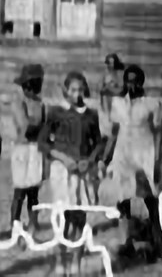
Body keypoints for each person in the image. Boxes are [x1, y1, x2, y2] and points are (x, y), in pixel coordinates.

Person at [98, 64, 162, 263]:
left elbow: (159, 132)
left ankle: (159, 241)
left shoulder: (152, 103)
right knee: (123, 199)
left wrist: (157, 158)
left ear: (141, 81)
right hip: (122, 155)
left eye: (136, 80)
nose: (132, 83)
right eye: (129, 80)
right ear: (125, 81)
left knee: (150, 200)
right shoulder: (117, 103)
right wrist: (105, 158)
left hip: (143, 155)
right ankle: (126, 240)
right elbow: (113, 134)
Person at [38, 72, 104, 276]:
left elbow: (99, 143)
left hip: (83, 171)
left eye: (80, 90)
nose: (77, 94)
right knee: (62, 217)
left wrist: (90, 160)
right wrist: (62, 157)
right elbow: (42, 142)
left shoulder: (91, 115)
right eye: (73, 90)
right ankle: (60, 260)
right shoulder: (56, 112)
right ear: (65, 90)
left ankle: (76, 260)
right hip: (62, 170)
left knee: (79, 217)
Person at [9, 63, 46, 239]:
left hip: (35, 149)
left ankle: (33, 224)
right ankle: (14, 225)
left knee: (33, 190)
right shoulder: (18, 101)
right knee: (20, 191)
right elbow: (25, 126)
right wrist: (38, 126)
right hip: (22, 149)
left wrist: (40, 127)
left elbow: (44, 126)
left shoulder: (40, 103)